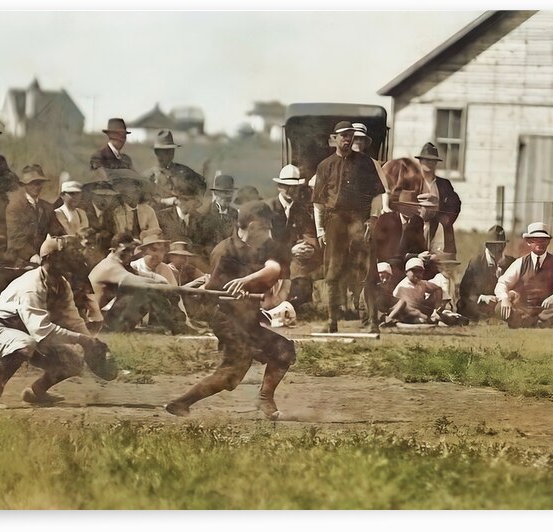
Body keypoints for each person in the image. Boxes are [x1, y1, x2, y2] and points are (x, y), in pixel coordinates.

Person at [165, 201, 295, 420]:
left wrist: (246, 284)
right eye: (266, 228)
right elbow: (215, 293)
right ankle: (180, 403)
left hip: (247, 317)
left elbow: (273, 270)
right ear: (253, 227)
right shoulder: (224, 251)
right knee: (232, 374)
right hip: (227, 318)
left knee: (283, 351)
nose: (269, 233)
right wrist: (235, 295)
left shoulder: (262, 247)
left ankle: (265, 398)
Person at [0, 237, 114, 409]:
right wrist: (82, 340)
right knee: (25, 343)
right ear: (48, 259)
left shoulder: (62, 284)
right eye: (65, 256)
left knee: (73, 361)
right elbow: (42, 331)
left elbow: (72, 318)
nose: (71, 260)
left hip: (26, 333)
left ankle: (36, 392)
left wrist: (90, 340)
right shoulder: (32, 285)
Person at [312, 121, 387, 332]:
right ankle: (331, 322)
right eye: (343, 135)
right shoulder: (325, 166)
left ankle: (373, 322)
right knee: (332, 271)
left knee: (367, 270)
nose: (347, 139)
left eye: (350, 135)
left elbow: (377, 195)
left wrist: (373, 219)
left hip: (359, 221)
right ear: (334, 138)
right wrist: (319, 230)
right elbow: (318, 202)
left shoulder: (365, 163)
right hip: (335, 222)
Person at [88, 232, 190, 335]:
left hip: (104, 320)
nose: (130, 255)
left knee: (154, 291)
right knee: (146, 292)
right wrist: (168, 288)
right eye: (125, 251)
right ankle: (175, 327)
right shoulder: (109, 266)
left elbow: (146, 276)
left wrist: (166, 286)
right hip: (94, 324)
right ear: (113, 250)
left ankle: (173, 327)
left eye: (131, 251)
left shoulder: (122, 265)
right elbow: (141, 283)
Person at [495, 222, 553, 328]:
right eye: (535, 240)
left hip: (547, 309)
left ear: (548, 242)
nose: (540, 243)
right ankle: (537, 322)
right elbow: (502, 283)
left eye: (543, 240)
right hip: (524, 308)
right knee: (499, 307)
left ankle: (530, 322)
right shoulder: (521, 262)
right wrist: (504, 298)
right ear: (528, 242)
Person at [267, 164, 319, 310]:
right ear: (279, 187)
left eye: (294, 187)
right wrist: (290, 250)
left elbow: (309, 234)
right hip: (271, 258)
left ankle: (294, 305)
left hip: (294, 259)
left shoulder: (300, 210)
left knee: (304, 278)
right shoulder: (268, 208)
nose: (291, 190)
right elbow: (266, 241)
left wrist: (310, 248)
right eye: (286, 186)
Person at [5, 164, 64, 262]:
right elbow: (17, 239)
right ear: (24, 185)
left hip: (42, 256)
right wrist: (32, 256)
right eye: (32, 183)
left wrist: (67, 241)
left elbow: (57, 231)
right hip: (18, 258)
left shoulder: (47, 207)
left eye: (39, 183)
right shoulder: (15, 207)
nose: (37, 187)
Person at [458, 225, 516, 320]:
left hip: (502, 305)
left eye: (502, 245)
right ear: (487, 246)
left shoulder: (511, 262)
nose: (498, 249)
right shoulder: (476, 263)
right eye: (494, 245)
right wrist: (482, 298)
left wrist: (507, 296)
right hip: (479, 306)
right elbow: (465, 291)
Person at [415, 142, 462, 256]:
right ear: (420, 161)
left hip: (438, 229)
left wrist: (445, 219)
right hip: (416, 228)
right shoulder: (413, 182)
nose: (429, 163)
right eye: (426, 160)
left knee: (440, 263)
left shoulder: (444, 184)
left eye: (433, 161)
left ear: (436, 163)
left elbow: (455, 204)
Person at [157, 178, 210, 272]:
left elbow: (202, 245)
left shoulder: (200, 219)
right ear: (177, 200)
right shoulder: (163, 217)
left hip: (193, 267)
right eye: (184, 199)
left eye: (191, 200)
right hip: (168, 265)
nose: (188, 203)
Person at [142, 129, 206, 208]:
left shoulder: (184, 172)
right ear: (156, 152)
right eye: (164, 151)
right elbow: (142, 202)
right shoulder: (148, 177)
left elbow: (201, 186)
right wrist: (164, 201)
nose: (169, 153)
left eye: (171, 150)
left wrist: (192, 204)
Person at [382, 257, 445, 326]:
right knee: (422, 320)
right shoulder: (403, 287)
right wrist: (425, 317)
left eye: (420, 271)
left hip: (420, 309)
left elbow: (438, 289)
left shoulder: (421, 283)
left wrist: (437, 308)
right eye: (414, 271)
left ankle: (436, 315)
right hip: (407, 313)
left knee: (436, 293)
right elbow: (408, 309)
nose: (417, 274)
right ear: (406, 272)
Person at [110, 170, 160, 237]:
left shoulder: (148, 210)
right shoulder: (118, 212)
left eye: (136, 192)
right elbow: (119, 235)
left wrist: (146, 234)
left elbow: (156, 232)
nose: (135, 195)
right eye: (129, 193)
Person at [201, 174, 239, 247]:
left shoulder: (235, 213)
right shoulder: (206, 212)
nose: (227, 197)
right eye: (224, 193)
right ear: (216, 193)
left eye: (230, 193)